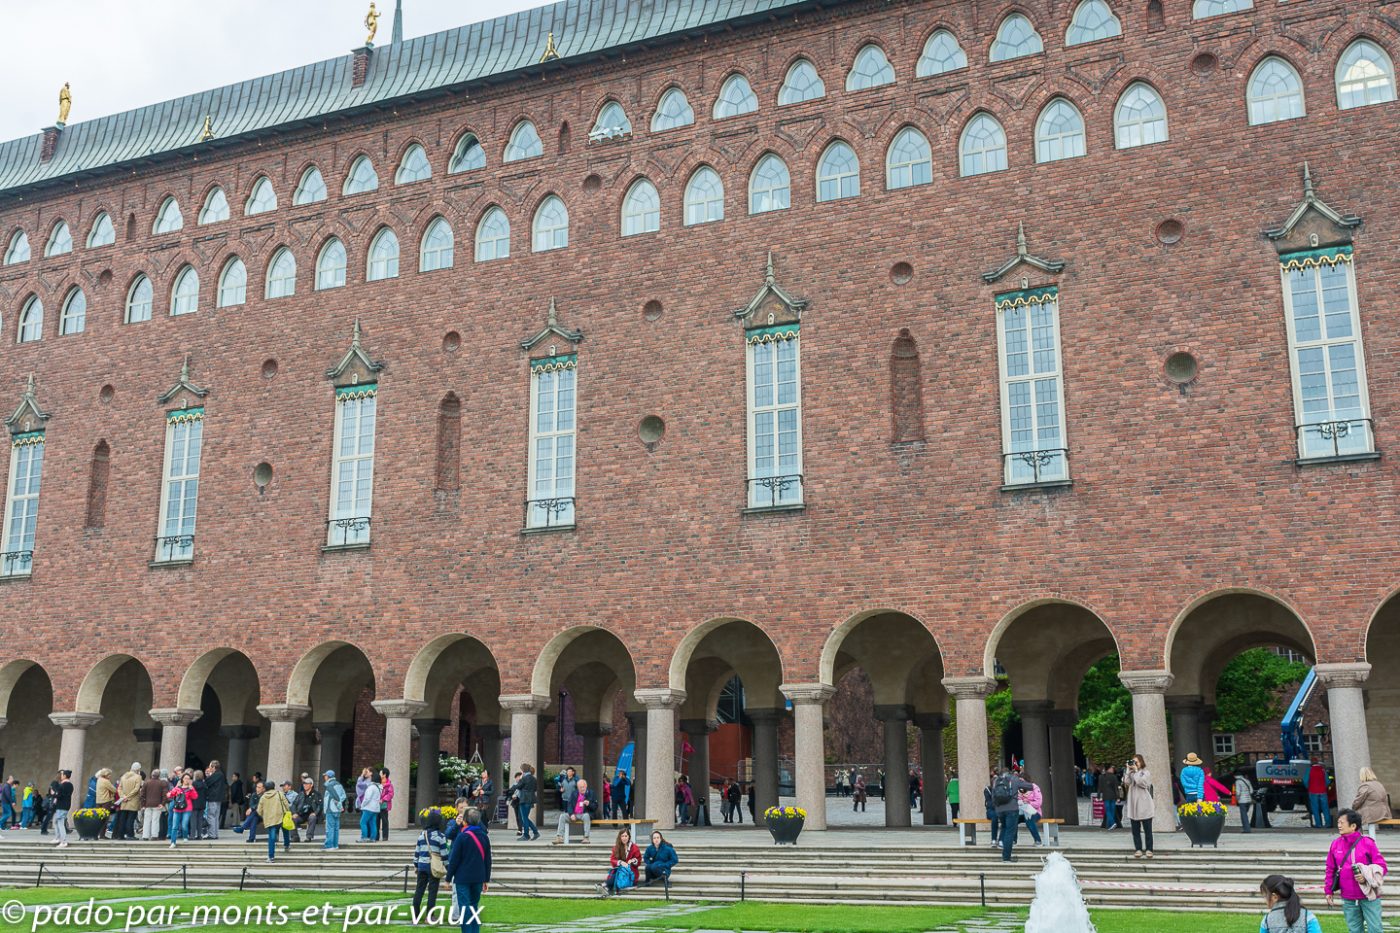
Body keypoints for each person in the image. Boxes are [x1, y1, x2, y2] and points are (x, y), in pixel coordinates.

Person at [1325, 808, 1387, 933]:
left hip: (1369, 896)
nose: (1339, 825)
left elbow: (1382, 867)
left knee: (1375, 929)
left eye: (1342, 822)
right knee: (1354, 930)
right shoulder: (1335, 844)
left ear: (1353, 826)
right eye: (1338, 822)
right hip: (1348, 898)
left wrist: (1366, 876)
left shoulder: (1367, 843)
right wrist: (1328, 891)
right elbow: (1330, 869)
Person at [445, 807, 490, 933]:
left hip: (462, 878)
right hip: (478, 878)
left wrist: (448, 879)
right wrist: (486, 879)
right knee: (474, 906)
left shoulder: (462, 837)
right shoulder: (484, 837)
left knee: (464, 907)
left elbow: (454, 860)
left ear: (465, 821)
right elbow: (487, 860)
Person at [412, 808, 449, 920]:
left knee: (419, 890)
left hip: (422, 866)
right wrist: (448, 867)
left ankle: (415, 914)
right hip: (434, 867)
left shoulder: (422, 835)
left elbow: (417, 852)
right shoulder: (440, 836)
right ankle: (430, 915)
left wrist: (416, 865)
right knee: (432, 891)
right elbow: (444, 854)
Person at [990, 769, 1032, 862]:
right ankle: (1006, 857)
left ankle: (1002, 846)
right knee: (1010, 832)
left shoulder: (996, 781)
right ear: (1009, 772)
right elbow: (1030, 786)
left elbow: (993, 796)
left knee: (1004, 828)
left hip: (999, 809)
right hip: (1012, 809)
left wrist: (997, 808)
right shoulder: (1014, 779)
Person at [1125, 754, 1155, 858]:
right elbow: (1127, 782)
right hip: (1133, 805)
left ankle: (1149, 849)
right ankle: (1138, 849)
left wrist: (1137, 771)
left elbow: (1142, 783)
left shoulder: (1145, 773)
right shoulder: (1132, 773)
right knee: (1135, 830)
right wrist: (1128, 771)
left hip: (1144, 804)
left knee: (1147, 830)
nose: (1134, 764)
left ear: (1141, 762)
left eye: (1136, 762)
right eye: (1133, 762)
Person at [257, 780, 293, 862]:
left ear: (265, 788)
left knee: (272, 838)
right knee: (286, 830)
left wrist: (264, 815)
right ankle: (286, 845)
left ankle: (271, 857)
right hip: (281, 817)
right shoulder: (279, 794)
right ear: (273, 787)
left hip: (270, 820)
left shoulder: (263, 797)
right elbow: (286, 805)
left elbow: (259, 810)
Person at [554, 777, 596, 844]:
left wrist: (589, 804)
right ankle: (559, 836)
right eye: (580, 787)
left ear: (586, 786)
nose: (582, 789)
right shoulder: (574, 793)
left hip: (584, 814)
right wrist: (571, 814)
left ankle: (586, 837)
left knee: (586, 816)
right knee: (562, 816)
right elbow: (569, 805)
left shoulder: (591, 793)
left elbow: (595, 807)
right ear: (577, 787)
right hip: (574, 814)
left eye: (583, 787)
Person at [601, 828, 642, 895]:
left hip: (630, 873)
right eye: (622, 836)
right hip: (619, 871)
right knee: (616, 874)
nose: (624, 838)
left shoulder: (634, 848)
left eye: (626, 836)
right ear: (620, 837)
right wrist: (620, 862)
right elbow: (612, 860)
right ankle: (607, 887)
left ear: (629, 837)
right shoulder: (616, 847)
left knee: (618, 876)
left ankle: (605, 885)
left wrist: (633, 860)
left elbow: (639, 860)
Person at [1352, 768, 1391, 834]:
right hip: (1384, 812)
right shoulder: (1379, 784)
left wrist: (1353, 807)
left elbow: (1358, 801)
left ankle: (1357, 839)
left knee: (1353, 818)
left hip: (1374, 814)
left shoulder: (1365, 785)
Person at [166, 771, 198, 848]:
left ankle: (185, 836)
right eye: (185, 778)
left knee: (184, 825)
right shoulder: (177, 788)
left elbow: (195, 797)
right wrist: (172, 794)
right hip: (177, 809)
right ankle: (173, 842)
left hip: (187, 808)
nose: (187, 780)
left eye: (188, 778)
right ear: (182, 779)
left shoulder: (191, 788)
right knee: (175, 826)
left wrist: (192, 789)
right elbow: (169, 795)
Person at [114, 763, 142, 840]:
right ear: (138, 769)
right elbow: (136, 789)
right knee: (131, 819)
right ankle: (130, 835)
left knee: (122, 819)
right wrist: (128, 796)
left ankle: (120, 835)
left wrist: (123, 796)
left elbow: (119, 788)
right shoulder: (138, 777)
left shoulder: (123, 776)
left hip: (124, 801)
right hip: (133, 801)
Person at [203, 761, 227, 840]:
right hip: (218, 798)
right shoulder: (221, 774)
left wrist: (209, 775)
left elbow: (207, 782)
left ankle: (212, 834)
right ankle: (215, 834)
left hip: (213, 798)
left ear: (214, 767)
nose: (209, 769)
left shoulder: (216, 774)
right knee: (216, 817)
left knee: (211, 816)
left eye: (210, 767)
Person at [1018, 776, 1045, 846]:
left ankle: (1038, 840)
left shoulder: (1034, 788)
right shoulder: (1018, 789)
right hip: (1022, 812)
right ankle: (1013, 841)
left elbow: (1039, 803)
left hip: (1034, 812)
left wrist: (1028, 803)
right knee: (1013, 819)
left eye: (1022, 781)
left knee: (1029, 820)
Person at [323, 770, 346, 850]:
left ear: (328, 776)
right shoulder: (339, 784)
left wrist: (336, 802)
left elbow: (335, 797)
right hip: (337, 810)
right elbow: (343, 796)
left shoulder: (329, 785)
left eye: (325, 776)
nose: (324, 777)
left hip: (331, 809)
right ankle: (335, 845)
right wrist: (339, 804)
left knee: (330, 828)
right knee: (336, 828)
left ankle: (329, 845)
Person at [295, 775, 321, 841]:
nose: (304, 785)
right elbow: (294, 804)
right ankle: (295, 837)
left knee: (312, 818)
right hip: (301, 814)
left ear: (311, 785)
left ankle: (308, 837)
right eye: (304, 784)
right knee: (292, 819)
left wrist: (315, 813)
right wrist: (294, 813)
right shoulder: (300, 794)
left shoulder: (316, 794)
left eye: (306, 784)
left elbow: (320, 805)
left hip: (312, 814)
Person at [517, 764, 539, 841]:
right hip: (530, 800)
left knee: (524, 818)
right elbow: (535, 789)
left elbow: (518, 786)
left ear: (523, 770)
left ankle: (526, 835)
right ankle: (535, 832)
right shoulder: (534, 779)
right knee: (525, 818)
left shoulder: (524, 778)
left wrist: (520, 778)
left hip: (524, 799)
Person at [52, 770, 73, 848]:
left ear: (64, 776)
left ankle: (63, 841)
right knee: (57, 821)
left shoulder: (63, 785)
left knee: (60, 823)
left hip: (61, 806)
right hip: (66, 805)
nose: (61, 776)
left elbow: (59, 795)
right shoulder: (70, 785)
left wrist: (53, 794)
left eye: (62, 775)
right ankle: (58, 838)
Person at [358, 773, 382, 842]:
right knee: (373, 823)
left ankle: (364, 837)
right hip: (375, 808)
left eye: (370, 777)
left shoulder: (371, 787)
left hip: (368, 808)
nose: (369, 778)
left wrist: (362, 805)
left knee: (363, 822)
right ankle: (373, 838)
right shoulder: (378, 787)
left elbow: (367, 798)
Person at [1308, 762, 1333, 829]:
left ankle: (1318, 824)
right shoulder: (1323, 770)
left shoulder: (1309, 770)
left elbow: (1305, 780)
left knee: (1315, 808)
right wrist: (1324, 787)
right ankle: (1328, 823)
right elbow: (1328, 781)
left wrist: (1309, 787)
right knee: (1325, 808)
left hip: (1313, 791)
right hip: (1323, 792)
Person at [1097, 764, 1119, 829]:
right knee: (1111, 811)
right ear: (1108, 769)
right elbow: (1116, 788)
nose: (1113, 769)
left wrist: (1098, 796)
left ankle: (1111, 824)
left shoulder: (1101, 777)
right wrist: (1118, 797)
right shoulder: (1114, 777)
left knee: (1108, 810)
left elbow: (1099, 787)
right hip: (1113, 796)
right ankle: (1110, 825)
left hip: (1106, 796)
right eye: (1111, 768)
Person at [378, 768, 394, 841]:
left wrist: (383, 799)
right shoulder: (378, 783)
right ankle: (376, 836)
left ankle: (385, 837)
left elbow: (390, 794)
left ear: (384, 774)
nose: (379, 774)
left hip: (384, 805)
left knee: (384, 821)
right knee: (376, 820)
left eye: (380, 773)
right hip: (377, 805)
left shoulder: (389, 785)